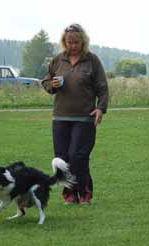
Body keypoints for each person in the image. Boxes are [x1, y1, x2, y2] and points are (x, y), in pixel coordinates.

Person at [41, 23, 108, 205]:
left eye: (76, 42)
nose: (73, 46)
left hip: (84, 118)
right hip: (60, 118)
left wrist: (100, 108)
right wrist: (51, 85)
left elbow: (102, 87)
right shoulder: (57, 60)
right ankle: (69, 194)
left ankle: (85, 192)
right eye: (69, 42)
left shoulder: (92, 60)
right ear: (64, 42)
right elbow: (46, 81)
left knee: (78, 157)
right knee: (62, 158)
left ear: (83, 41)